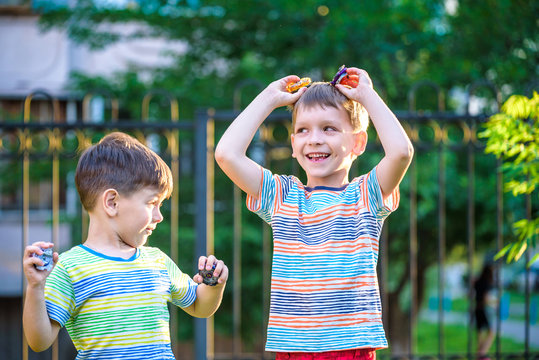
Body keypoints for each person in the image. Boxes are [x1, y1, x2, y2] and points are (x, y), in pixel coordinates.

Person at [215, 67, 413, 359]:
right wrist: (269, 98)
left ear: (357, 143)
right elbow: (226, 154)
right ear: (293, 145)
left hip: (350, 348)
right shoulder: (282, 197)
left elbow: (401, 152)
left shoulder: (364, 196)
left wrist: (366, 96)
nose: (315, 139)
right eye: (303, 130)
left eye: (329, 128)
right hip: (292, 349)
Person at [23, 132, 228, 359]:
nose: (159, 216)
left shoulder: (157, 261)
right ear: (112, 202)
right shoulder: (71, 268)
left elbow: (199, 306)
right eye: (152, 203)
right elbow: (39, 341)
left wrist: (213, 284)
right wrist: (35, 288)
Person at [474, 262, 495, 360]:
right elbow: (486, 299)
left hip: (477, 309)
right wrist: (494, 303)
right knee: (491, 333)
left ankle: (480, 356)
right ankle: (482, 354)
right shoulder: (487, 283)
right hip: (484, 310)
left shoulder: (477, 282)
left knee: (480, 334)